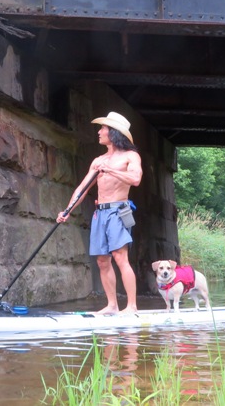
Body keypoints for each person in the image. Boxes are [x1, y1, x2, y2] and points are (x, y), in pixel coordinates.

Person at [57, 111, 142, 315]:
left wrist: (111, 170)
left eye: (103, 128)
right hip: (100, 213)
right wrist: (68, 210)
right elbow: (82, 188)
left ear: (113, 133)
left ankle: (131, 306)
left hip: (119, 211)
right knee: (102, 260)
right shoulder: (98, 160)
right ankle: (112, 305)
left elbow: (135, 179)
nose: (99, 132)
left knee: (120, 257)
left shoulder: (131, 156)